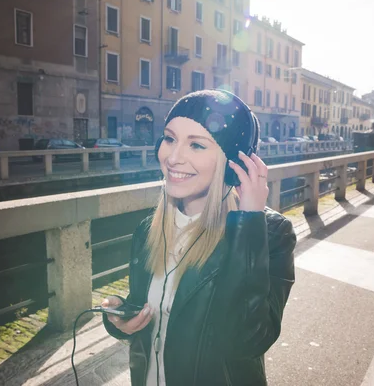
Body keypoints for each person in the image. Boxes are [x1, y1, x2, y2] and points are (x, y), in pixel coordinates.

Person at [101, 89, 297, 386]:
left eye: (196, 145)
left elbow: (244, 341)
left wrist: (248, 223)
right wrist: (119, 320)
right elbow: (146, 312)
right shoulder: (148, 231)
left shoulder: (268, 234)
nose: (173, 158)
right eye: (169, 138)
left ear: (234, 163)